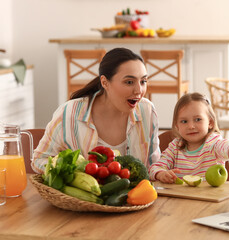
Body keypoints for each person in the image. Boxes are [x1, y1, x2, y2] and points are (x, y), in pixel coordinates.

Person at [32, 48, 160, 173]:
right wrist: (73, 174)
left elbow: (153, 165)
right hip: (79, 195)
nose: (139, 90)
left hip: (138, 193)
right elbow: (39, 160)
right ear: (105, 82)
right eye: (129, 82)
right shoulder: (68, 113)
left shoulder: (147, 111)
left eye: (143, 81)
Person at [149, 92, 229, 183]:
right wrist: (160, 174)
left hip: (210, 197)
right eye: (184, 121)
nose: (191, 126)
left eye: (198, 119)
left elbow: (225, 145)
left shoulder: (213, 142)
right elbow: (155, 167)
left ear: (210, 123)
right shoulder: (175, 147)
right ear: (177, 126)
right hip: (182, 197)